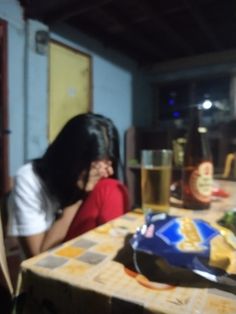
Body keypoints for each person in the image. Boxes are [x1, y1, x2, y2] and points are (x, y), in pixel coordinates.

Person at [7, 113, 129, 258]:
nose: (110, 171)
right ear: (72, 158)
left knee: (111, 187)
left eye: (110, 163)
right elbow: (38, 256)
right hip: (47, 263)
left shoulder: (96, 177)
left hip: (83, 251)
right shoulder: (29, 179)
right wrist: (76, 199)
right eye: (100, 163)